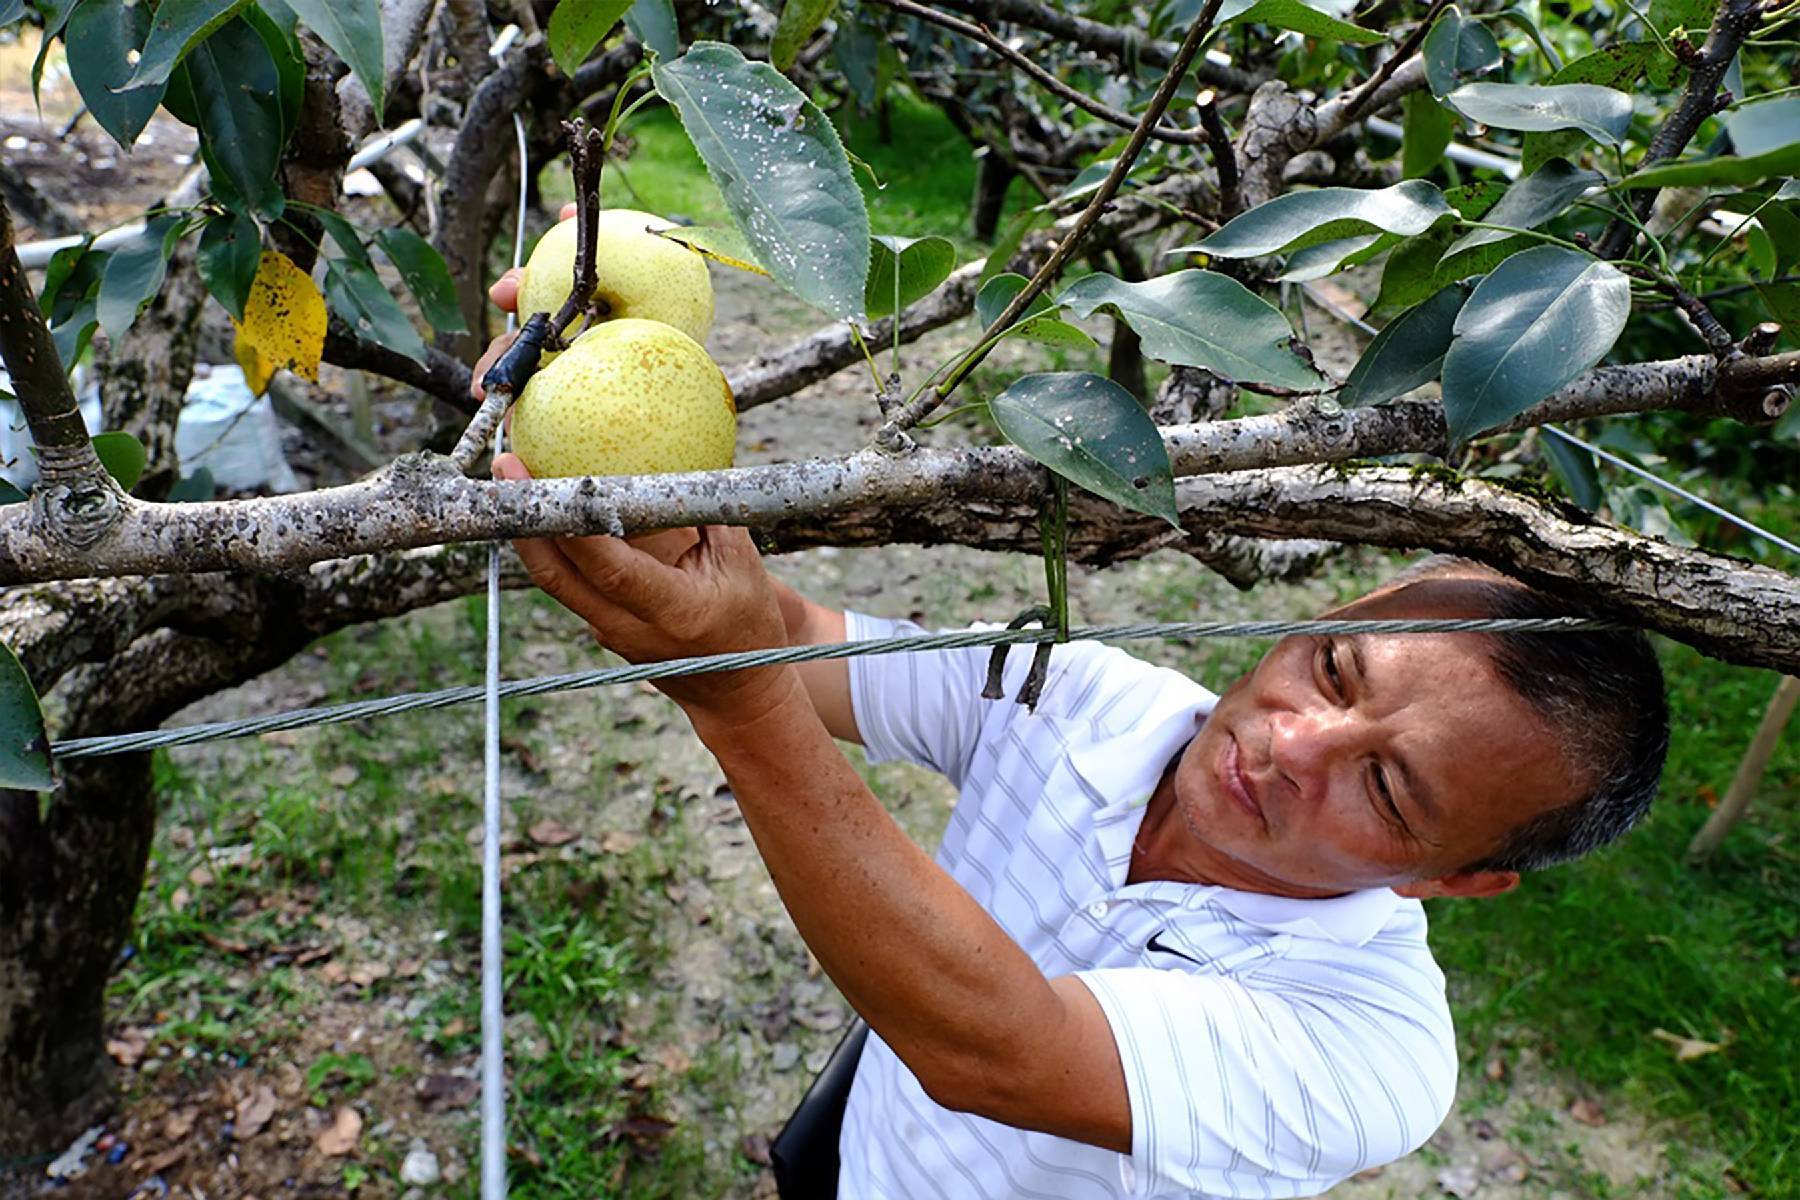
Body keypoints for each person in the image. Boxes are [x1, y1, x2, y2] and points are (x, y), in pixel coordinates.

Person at [473, 293, 1669, 1198]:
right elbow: (786, 636)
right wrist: (616, 403)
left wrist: (739, 701)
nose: (1291, 740)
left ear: (1459, 877)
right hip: (858, 1159)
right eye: (1334, 667)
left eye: (1385, 786)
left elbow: (995, 1051)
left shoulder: (1375, 1051)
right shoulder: (1082, 694)